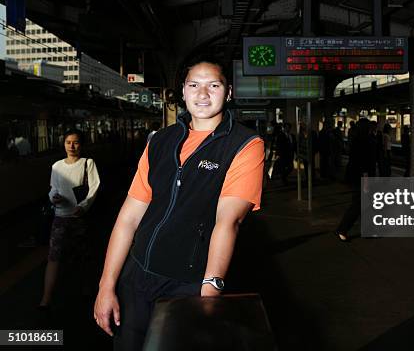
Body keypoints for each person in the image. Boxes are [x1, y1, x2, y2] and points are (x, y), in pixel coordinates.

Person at [93, 61, 264, 350]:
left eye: (214, 85)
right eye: (193, 85)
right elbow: (129, 218)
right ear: (183, 93)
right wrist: (106, 286)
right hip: (137, 275)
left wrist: (210, 294)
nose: (203, 93)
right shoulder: (160, 141)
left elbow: (228, 222)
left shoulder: (245, 144)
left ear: (229, 92)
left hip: (188, 285)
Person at [40, 129, 100, 308]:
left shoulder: (87, 163)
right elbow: (53, 189)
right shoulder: (57, 166)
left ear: (81, 145)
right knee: (53, 257)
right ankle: (46, 297)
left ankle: (86, 288)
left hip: (80, 218)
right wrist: (54, 197)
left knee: (83, 256)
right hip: (60, 216)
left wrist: (83, 206)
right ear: (63, 144)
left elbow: (94, 187)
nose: (71, 146)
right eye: (68, 142)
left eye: (75, 142)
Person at [335, 118, 377, 241]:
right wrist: (366, 181)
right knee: (358, 205)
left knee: (368, 205)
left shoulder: (357, 140)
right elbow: (364, 163)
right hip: (363, 177)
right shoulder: (364, 141)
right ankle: (342, 229)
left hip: (358, 176)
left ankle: (368, 230)